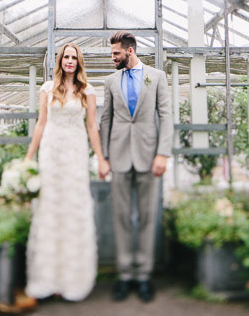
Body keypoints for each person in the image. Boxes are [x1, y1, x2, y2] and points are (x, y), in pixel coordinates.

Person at [21, 43, 110, 302]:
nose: (69, 61)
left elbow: (92, 127)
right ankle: (48, 278)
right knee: (50, 209)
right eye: (66, 57)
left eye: (74, 57)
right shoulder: (47, 89)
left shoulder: (87, 91)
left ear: (79, 62)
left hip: (75, 153)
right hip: (51, 152)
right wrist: (28, 158)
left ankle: (73, 278)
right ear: (59, 61)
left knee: (73, 209)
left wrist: (101, 159)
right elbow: (40, 124)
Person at [99, 31, 173, 303]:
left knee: (146, 217)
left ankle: (143, 277)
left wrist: (163, 153)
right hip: (118, 157)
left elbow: (165, 116)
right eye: (112, 54)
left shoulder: (157, 77)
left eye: (116, 53)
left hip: (148, 157)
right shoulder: (110, 81)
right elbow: (105, 120)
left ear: (130, 51)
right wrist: (104, 158)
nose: (113, 58)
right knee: (120, 218)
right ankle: (124, 276)